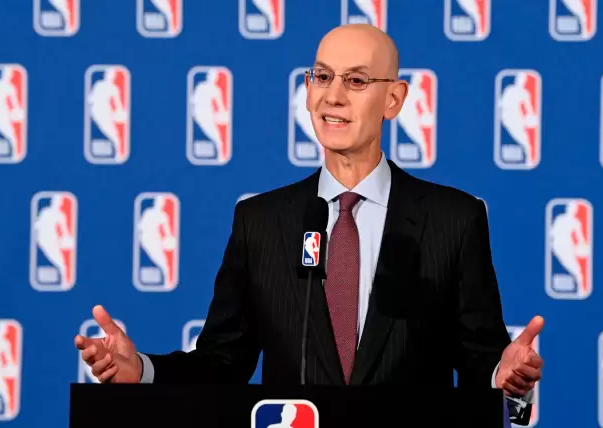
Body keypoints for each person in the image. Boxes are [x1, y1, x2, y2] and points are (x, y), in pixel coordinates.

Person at [75, 23, 543, 422]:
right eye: (321, 77)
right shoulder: (260, 222)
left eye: (356, 80)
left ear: (394, 99)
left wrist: (504, 380)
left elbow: (482, 362)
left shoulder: (453, 219)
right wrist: (143, 370)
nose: (333, 96)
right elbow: (223, 362)